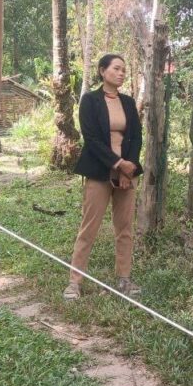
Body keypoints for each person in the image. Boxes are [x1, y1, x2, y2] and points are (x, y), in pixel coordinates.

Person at [64, 54, 143, 300]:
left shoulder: (128, 102)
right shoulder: (90, 100)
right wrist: (118, 164)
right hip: (99, 171)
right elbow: (92, 139)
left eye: (124, 70)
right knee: (89, 228)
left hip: (127, 173)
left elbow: (136, 137)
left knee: (125, 228)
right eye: (116, 69)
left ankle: (124, 279)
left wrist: (128, 169)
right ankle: (74, 282)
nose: (121, 73)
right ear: (102, 71)